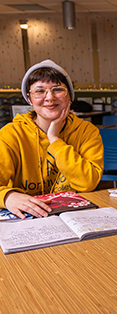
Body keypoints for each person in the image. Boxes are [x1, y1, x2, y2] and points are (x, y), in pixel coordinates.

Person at [0, 59, 104, 219]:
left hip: (75, 216)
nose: (50, 97)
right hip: (26, 219)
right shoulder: (10, 134)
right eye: (39, 91)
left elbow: (88, 182)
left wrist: (54, 139)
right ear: (29, 98)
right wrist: (7, 197)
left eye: (57, 90)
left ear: (69, 95)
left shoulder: (87, 132)